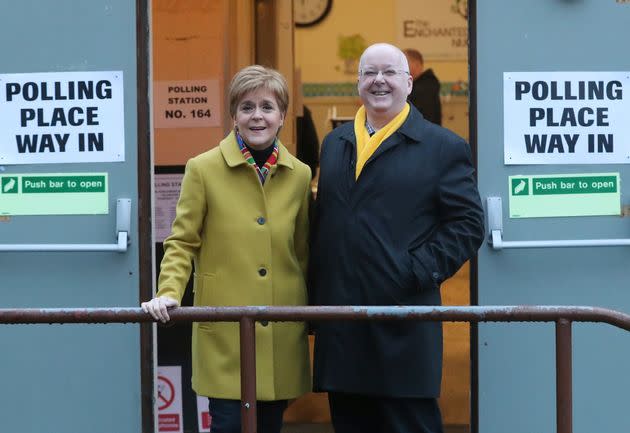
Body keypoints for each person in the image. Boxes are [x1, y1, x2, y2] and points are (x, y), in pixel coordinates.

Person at [309, 43, 484, 433]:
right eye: (369, 72)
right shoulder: (334, 145)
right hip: (342, 327)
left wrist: (414, 270)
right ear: (358, 83)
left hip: (402, 323)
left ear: (409, 82)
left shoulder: (443, 147)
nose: (379, 80)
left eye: (389, 72)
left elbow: (469, 224)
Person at [142, 65, 312, 433]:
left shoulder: (299, 174)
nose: (257, 116)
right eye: (247, 106)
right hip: (225, 333)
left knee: (269, 425)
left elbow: (301, 253)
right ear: (233, 114)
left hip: (280, 332)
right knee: (229, 424)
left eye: (267, 107)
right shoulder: (202, 169)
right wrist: (168, 292)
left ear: (282, 115)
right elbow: (182, 241)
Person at [403, 48, 442, 125]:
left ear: (416, 64)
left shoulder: (426, 86)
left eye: (404, 63)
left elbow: (424, 118)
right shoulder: (416, 85)